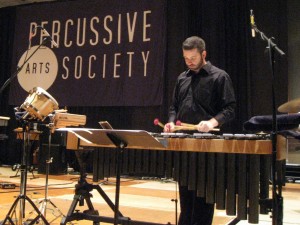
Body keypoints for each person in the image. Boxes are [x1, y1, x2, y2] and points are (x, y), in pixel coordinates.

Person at [164, 36, 236, 225]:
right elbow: (174, 107)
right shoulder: (182, 78)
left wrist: (212, 122)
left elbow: (230, 110)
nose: (189, 61)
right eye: (186, 57)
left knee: (203, 201)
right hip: (184, 144)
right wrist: (171, 123)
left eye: (193, 57)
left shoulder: (219, 77)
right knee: (186, 199)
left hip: (207, 145)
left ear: (203, 54)